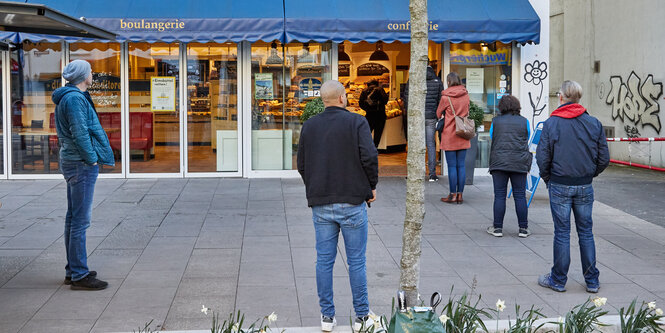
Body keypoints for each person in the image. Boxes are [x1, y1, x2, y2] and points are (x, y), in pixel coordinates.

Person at [297, 80, 378, 332]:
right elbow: (369, 156)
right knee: (356, 262)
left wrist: (315, 187)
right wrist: (371, 186)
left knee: (323, 261)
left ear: (323, 100)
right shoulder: (357, 122)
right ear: (342, 98)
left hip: (321, 203)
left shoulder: (310, 126)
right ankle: (362, 317)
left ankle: (327, 317)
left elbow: (301, 164)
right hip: (353, 201)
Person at [536, 80, 609, 293]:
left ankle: (558, 280)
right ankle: (592, 281)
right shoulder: (593, 123)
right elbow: (604, 158)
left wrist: (548, 178)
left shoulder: (551, 124)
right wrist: (589, 173)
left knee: (562, 233)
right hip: (584, 185)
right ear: (578, 97)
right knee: (586, 232)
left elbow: (543, 157)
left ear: (561, 97)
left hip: (560, 183)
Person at [52, 60, 115, 290]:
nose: (92, 74)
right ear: (82, 76)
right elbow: (79, 133)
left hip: (72, 161)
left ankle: (73, 269)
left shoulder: (69, 97)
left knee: (73, 218)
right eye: (90, 71)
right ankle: (79, 274)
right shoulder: (75, 99)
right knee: (80, 221)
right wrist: (92, 159)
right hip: (80, 164)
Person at [486, 95, 532, 238]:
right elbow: (528, 137)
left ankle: (498, 228)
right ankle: (523, 229)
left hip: (499, 163)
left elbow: (492, 136)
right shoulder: (525, 122)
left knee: (499, 195)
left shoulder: (495, 121)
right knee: (520, 196)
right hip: (519, 162)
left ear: (501, 106)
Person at [401, 65, 444, 181]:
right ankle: (432, 174)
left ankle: (414, 174)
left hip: (416, 116)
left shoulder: (414, 79)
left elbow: (406, 97)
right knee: (431, 144)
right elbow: (441, 100)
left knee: (415, 145)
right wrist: (438, 114)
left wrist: (410, 112)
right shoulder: (437, 81)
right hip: (431, 116)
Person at [436, 72, 471, 204]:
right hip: (463, 132)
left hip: (450, 134)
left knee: (452, 166)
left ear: (448, 82)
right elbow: (467, 111)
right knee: (461, 165)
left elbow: (438, 113)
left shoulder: (446, 97)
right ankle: (460, 195)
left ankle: (452, 195)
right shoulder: (466, 95)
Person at [359, 79, 389, 148]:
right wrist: (379, 106)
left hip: (369, 115)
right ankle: (375, 147)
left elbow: (361, 103)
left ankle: (366, 147)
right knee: (378, 133)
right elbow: (385, 100)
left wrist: (367, 109)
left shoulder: (364, 91)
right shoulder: (380, 89)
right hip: (380, 114)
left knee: (367, 132)